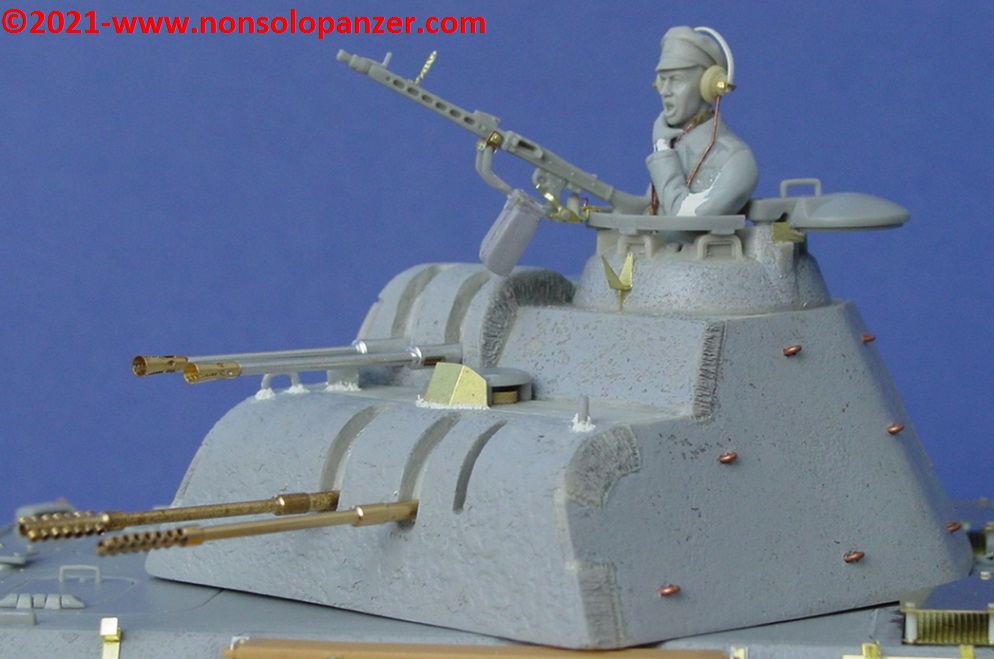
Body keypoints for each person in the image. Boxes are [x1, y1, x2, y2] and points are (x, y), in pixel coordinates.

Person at [645, 26, 758, 217]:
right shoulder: (676, 147)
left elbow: (681, 219)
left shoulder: (735, 161)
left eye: (676, 80)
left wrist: (662, 149)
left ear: (708, 85)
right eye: (662, 80)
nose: (664, 91)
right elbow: (651, 209)